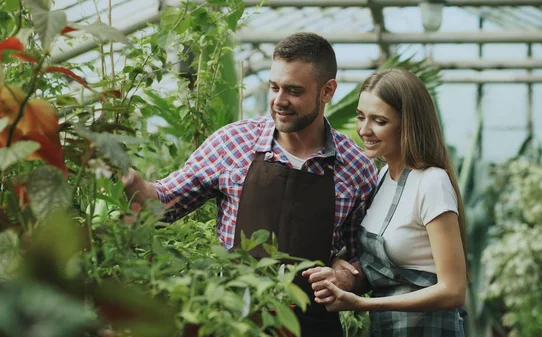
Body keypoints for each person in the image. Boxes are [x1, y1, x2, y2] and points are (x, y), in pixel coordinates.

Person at [122, 32, 378, 337]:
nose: (279, 101)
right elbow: (162, 206)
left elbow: (369, 260)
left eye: (294, 91)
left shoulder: (357, 168)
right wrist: (131, 180)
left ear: (327, 91)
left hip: (313, 326)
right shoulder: (233, 143)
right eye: (274, 87)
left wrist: (348, 277)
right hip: (232, 323)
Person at [303, 68, 468, 337]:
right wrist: (339, 268)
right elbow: (378, 266)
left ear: (408, 124)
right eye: (360, 117)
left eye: (379, 121)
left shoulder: (431, 183)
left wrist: (364, 303)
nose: (364, 130)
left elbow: (453, 290)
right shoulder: (381, 179)